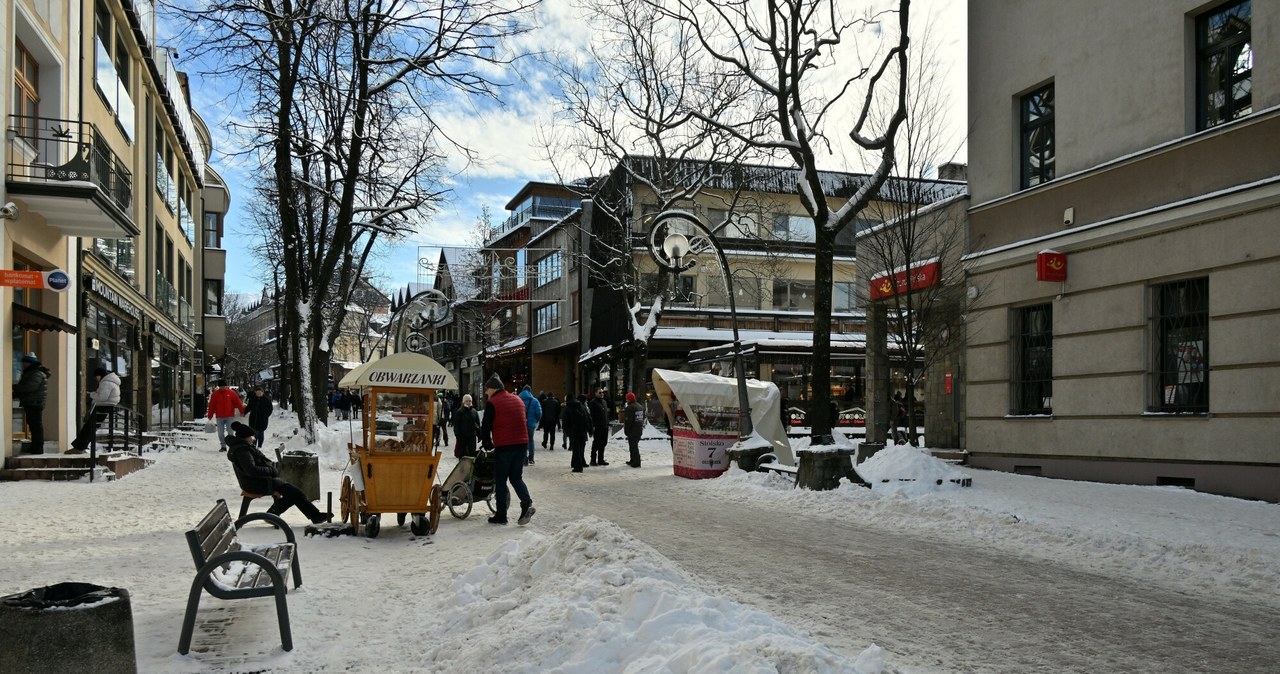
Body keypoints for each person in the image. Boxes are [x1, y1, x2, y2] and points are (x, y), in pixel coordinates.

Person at [226, 421, 331, 524]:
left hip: (257, 481)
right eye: (252, 436)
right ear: (246, 437)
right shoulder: (243, 451)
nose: (254, 439)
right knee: (296, 493)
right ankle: (314, 516)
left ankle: (273, 514)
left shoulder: (243, 448)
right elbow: (251, 470)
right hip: (256, 483)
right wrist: (270, 470)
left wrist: (270, 466)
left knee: (293, 492)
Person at [480, 374, 535, 525]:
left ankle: (501, 515)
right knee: (516, 477)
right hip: (522, 444)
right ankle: (526, 504)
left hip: (504, 446)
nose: (486, 392)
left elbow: (485, 426)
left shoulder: (493, 402)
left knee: (501, 480)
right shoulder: (517, 399)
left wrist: (487, 443)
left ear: (493, 389)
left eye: (487, 389)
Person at [70, 366, 122, 452]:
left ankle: (79, 447)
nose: (95, 379)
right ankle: (81, 446)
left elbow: (102, 397)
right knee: (91, 427)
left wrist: (91, 394)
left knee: (89, 427)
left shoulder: (106, 383)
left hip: (103, 407)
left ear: (100, 375)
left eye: (96, 376)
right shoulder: (110, 382)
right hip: (106, 407)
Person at [13, 353, 50, 455]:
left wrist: (14, 388)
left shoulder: (36, 373)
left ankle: (37, 448)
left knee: (36, 426)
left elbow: (30, 387)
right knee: (34, 426)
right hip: (33, 402)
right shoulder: (33, 372)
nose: (23, 364)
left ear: (29, 363)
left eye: (25, 362)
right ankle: (35, 446)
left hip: (34, 403)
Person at [206, 380, 246, 452]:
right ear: (219, 387)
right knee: (220, 433)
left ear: (226, 386)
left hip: (229, 416)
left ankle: (232, 446)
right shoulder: (215, 394)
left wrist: (242, 411)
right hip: (219, 416)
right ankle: (223, 446)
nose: (222, 388)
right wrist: (210, 414)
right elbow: (212, 405)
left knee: (230, 432)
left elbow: (238, 402)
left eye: (223, 386)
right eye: (221, 387)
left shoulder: (231, 393)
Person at [562, 393, 591, 472]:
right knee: (581, 447)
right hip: (582, 430)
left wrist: (566, 430)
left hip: (573, 431)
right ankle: (577, 463)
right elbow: (587, 417)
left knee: (576, 448)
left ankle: (578, 466)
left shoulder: (568, 408)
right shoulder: (581, 406)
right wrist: (588, 428)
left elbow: (565, 421)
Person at [519, 384, 542, 466]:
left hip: (521, 424)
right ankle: (531, 459)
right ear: (530, 391)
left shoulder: (518, 399)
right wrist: (536, 421)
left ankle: (524, 459)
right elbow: (539, 413)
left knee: (523, 441)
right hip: (531, 424)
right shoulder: (535, 401)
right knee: (531, 440)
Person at [451, 394, 481, 458]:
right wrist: (458, 435)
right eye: (467, 401)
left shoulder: (474, 411)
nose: (468, 402)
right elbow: (456, 424)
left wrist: (479, 434)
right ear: (463, 402)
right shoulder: (459, 412)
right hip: (462, 436)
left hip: (472, 435)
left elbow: (478, 423)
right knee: (462, 453)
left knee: (472, 452)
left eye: (470, 401)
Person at [244, 386, 273, 450]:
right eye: (257, 393)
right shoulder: (253, 399)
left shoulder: (267, 400)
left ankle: (259, 445)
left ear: (262, 393)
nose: (258, 394)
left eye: (260, 393)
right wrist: (244, 412)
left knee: (260, 433)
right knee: (253, 433)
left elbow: (270, 409)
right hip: (253, 419)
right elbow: (249, 407)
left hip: (262, 420)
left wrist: (265, 416)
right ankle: (254, 445)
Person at [588, 387, 610, 466]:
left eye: (602, 392)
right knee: (596, 443)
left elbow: (605, 413)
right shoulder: (593, 403)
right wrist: (593, 425)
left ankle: (601, 459)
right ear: (596, 393)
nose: (601, 394)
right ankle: (593, 459)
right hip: (597, 426)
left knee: (603, 443)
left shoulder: (604, 402)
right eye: (599, 392)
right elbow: (591, 415)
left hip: (604, 426)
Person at [623, 392, 645, 468]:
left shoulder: (630, 408)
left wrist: (626, 431)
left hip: (632, 431)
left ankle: (636, 462)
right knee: (634, 446)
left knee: (633, 447)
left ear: (628, 399)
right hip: (639, 429)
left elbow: (628, 421)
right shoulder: (640, 406)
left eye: (626, 399)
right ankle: (633, 460)